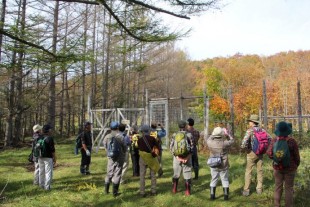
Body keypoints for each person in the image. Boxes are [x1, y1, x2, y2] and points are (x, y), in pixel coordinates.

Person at [267, 121, 300, 207]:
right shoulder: (292, 141)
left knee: (278, 187)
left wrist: (276, 159)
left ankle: (276, 205)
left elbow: (269, 153)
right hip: (290, 168)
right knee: (289, 188)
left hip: (277, 168)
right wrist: (296, 165)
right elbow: (297, 156)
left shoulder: (274, 141)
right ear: (287, 131)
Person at [240, 114, 271, 196]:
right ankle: (259, 189)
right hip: (260, 153)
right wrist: (265, 148)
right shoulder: (263, 130)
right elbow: (270, 139)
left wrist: (246, 149)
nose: (249, 123)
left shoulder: (250, 131)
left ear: (252, 122)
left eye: (249, 121)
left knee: (248, 171)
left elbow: (243, 143)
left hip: (251, 153)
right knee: (260, 171)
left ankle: (246, 190)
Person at [206, 126, 234, 200]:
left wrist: (213, 134)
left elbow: (209, 138)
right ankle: (226, 197)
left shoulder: (210, 142)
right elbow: (232, 140)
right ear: (222, 134)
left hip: (213, 164)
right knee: (225, 179)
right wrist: (227, 134)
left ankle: (212, 196)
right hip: (223, 164)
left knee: (214, 179)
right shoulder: (225, 143)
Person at [170, 120, 193, 196]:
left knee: (176, 174)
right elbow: (192, 148)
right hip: (187, 157)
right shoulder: (189, 135)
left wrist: (177, 157)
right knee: (187, 174)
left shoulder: (174, 135)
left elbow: (171, 148)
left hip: (177, 158)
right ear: (185, 126)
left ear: (179, 126)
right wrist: (187, 157)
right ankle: (187, 191)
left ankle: (174, 189)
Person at [103, 121, 126, 197]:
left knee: (109, 172)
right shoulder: (120, 137)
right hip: (119, 157)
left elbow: (105, 146)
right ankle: (115, 193)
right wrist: (123, 153)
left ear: (110, 128)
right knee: (117, 173)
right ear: (117, 128)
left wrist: (108, 153)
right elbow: (124, 147)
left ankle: (106, 190)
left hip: (110, 157)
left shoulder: (107, 136)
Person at [137, 124, 160, 197]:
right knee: (153, 175)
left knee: (142, 175)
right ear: (149, 131)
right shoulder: (152, 138)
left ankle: (142, 192)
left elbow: (138, 147)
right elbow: (157, 146)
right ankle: (153, 191)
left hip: (143, 158)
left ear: (142, 131)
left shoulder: (140, 139)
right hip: (151, 158)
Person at [38, 124, 56, 190]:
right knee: (48, 172)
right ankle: (47, 187)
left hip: (40, 157)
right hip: (48, 157)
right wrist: (54, 158)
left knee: (41, 171)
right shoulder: (49, 138)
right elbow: (52, 150)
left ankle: (41, 185)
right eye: (50, 129)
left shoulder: (39, 137)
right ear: (48, 130)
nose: (51, 130)